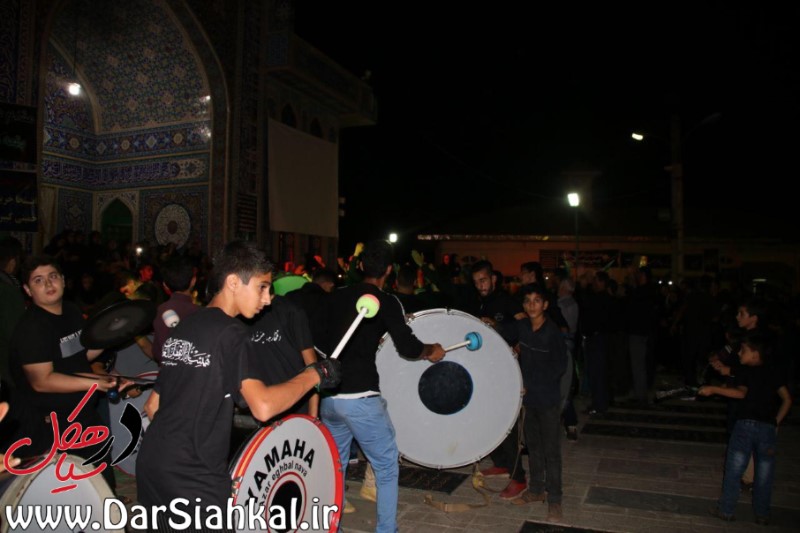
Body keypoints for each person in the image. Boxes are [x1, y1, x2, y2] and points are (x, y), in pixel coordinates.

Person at [135, 241, 341, 529]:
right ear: (233, 282)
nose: (267, 299)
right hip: (195, 476)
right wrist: (315, 374)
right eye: (262, 287)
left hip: (153, 463)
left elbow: (152, 406)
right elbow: (263, 406)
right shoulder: (233, 333)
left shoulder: (185, 327)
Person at [319, 239, 445, 533]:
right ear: (389, 270)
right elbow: (408, 347)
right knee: (386, 466)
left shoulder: (336, 296)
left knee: (336, 465)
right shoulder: (387, 301)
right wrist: (431, 350)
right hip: (361, 397)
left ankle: (331, 527)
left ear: (361, 265)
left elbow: (321, 341)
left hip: (330, 397)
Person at [8, 255, 121, 493]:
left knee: (101, 482)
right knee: (67, 491)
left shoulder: (70, 311)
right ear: (28, 290)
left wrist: (113, 334)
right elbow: (42, 381)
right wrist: (94, 384)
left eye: (52, 276)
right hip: (50, 425)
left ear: (62, 279)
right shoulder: (32, 327)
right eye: (38, 280)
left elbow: (79, 356)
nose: (48, 284)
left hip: (82, 415)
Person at [700, 331, 792, 525]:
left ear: (755, 354)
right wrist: (776, 421)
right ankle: (762, 514)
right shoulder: (773, 372)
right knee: (765, 473)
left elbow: (740, 393)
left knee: (734, 469)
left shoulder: (747, 371)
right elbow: (787, 399)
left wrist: (713, 389)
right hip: (767, 428)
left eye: (743, 350)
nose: (740, 353)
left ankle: (726, 509)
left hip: (745, 425)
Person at [494, 283, 567, 522]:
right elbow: (502, 331)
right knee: (533, 447)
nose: (532, 305)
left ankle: (554, 499)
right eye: (527, 301)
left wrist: (532, 385)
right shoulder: (523, 326)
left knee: (551, 452)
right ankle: (536, 490)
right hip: (529, 400)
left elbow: (559, 367)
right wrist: (488, 324)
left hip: (547, 400)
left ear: (545, 305)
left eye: (537, 300)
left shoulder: (552, 332)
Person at [470, 259, 528, 499]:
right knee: (490, 419)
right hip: (489, 370)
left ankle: (519, 478)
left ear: (493, 279)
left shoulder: (507, 300)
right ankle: (502, 463)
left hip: (507, 371)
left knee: (508, 423)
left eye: (483, 280)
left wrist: (501, 330)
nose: (480, 285)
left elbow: (525, 326)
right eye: (476, 282)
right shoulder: (480, 302)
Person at [248, 290, 320, 419]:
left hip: (296, 406)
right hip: (263, 406)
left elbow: (313, 366)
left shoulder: (291, 311)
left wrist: (313, 417)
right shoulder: (242, 316)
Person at [151, 256, 200, 364]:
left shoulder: (161, 310)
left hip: (169, 371)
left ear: (165, 285)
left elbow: (157, 352)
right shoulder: (200, 312)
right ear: (193, 281)